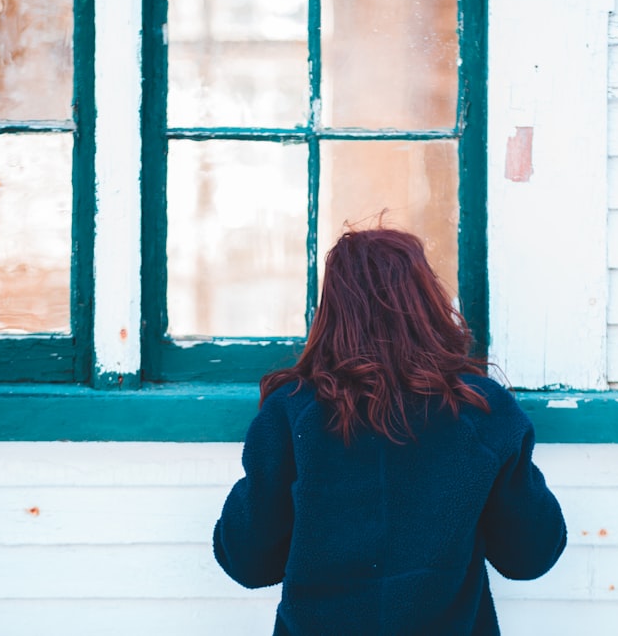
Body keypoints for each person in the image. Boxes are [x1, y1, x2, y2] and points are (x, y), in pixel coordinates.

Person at [213, 227, 566, 635]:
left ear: (331, 312)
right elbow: (531, 555)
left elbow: (247, 560)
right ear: (425, 302)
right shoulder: (481, 411)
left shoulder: (292, 412)